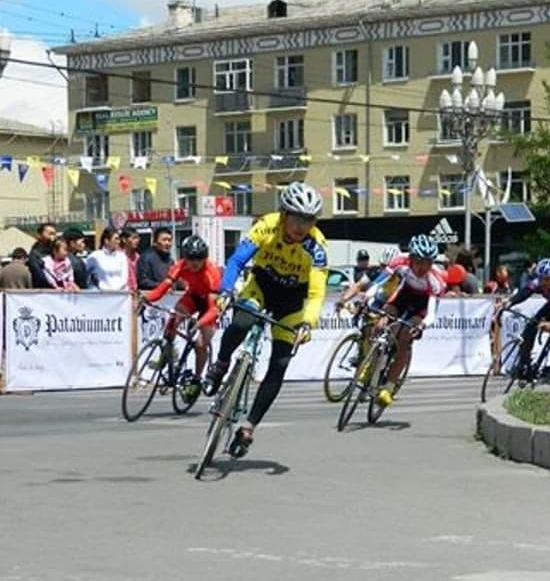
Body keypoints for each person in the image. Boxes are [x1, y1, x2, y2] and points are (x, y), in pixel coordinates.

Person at [208, 182, 328, 457]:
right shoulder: (266, 225)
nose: (301, 226)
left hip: (292, 301)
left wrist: (308, 322)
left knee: (280, 363)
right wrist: (226, 291)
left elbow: (317, 292)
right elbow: (237, 261)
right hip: (261, 287)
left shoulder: (317, 246)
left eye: (308, 220)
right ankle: (222, 363)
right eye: (297, 218)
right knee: (242, 323)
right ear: (284, 214)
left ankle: (249, 427)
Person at [338, 235, 445, 406]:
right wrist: (367, 297)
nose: (422, 267)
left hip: (421, 306)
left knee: (404, 341)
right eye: (418, 262)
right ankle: (371, 362)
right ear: (410, 258)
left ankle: (388, 386)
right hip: (403, 296)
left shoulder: (436, 281)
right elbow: (379, 283)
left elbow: (431, 313)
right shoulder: (399, 262)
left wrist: (422, 325)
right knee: (381, 322)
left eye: (427, 262)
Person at [143, 235, 221, 403]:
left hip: (209, 302)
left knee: (201, 343)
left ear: (205, 258)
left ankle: (197, 379)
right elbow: (163, 287)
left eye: (199, 258)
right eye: (190, 258)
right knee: (175, 314)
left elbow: (214, 308)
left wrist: (199, 323)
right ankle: (168, 351)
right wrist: (146, 299)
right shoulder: (180, 266)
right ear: (184, 257)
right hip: (192, 296)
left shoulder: (211, 272)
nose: (194, 262)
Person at [498, 257, 550, 384]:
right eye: (541, 278)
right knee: (530, 327)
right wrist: (509, 302)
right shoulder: (539, 281)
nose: (543, 282)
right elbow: (526, 292)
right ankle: (524, 365)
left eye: (547, 279)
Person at [28, 222, 57, 288]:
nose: (53, 238)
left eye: (54, 234)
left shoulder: (55, 251)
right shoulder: (35, 255)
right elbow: (40, 278)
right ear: (39, 235)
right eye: (50, 234)